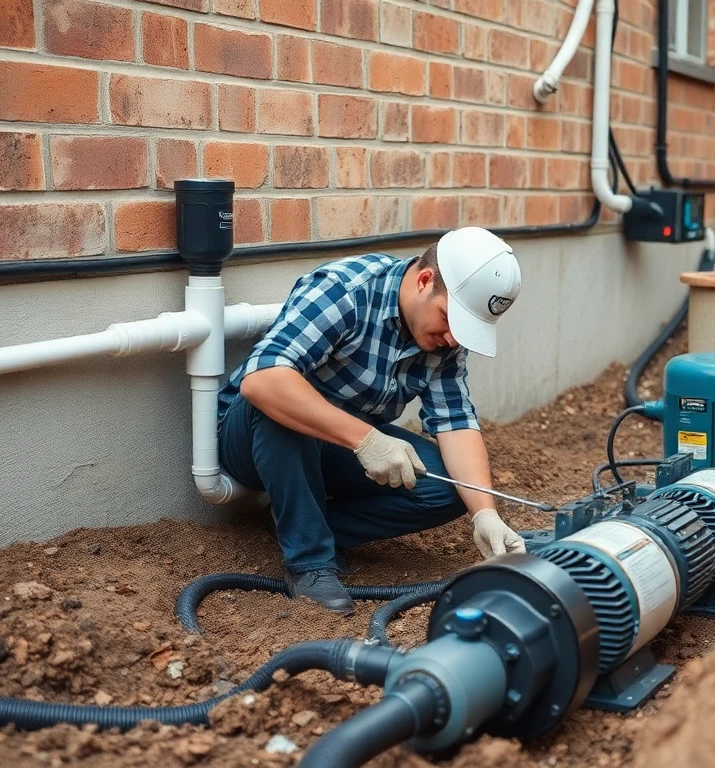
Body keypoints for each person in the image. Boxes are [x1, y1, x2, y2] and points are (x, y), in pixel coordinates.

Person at [216, 226, 528, 616]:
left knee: (448, 488)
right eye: (449, 319)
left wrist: (485, 513)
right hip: (256, 436)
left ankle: (306, 524)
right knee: (282, 412)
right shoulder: (346, 291)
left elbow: (456, 423)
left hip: (338, 444)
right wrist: (366, 440)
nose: (452, 338)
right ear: (424, 281)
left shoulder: (445, 340)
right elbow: (263, 381)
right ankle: (310, 563)